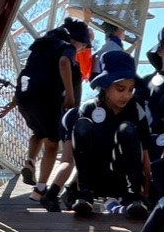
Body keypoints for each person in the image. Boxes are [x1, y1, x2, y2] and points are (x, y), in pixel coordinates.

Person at [0, 17, 91, 201]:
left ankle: (30, 162)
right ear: (75, 39)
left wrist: (12, 104)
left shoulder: (41, 46)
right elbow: (64, 62)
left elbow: (29, 73)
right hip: (46, 97)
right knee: (52, 144)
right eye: (83, 45)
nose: (83, 49)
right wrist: (69, 94)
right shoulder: (67, 47)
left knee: (38, 132)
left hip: (25, 96)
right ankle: (39, 191)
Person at [65, 50, 151, 218]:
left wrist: (146, 193)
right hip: (95, 174)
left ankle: (133, 196)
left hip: (122, 177)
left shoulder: (136, 111)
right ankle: (85, 193)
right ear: (105, 86)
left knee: (127, 128)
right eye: (120, 89)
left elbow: (145, 154)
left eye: (131, 90)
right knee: (82, 125)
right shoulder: (88, 108)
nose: (126, 95)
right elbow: (76, 153)